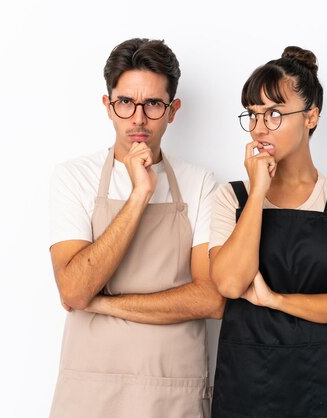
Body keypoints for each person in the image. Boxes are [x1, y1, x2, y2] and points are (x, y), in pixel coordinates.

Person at [48, 38, 223, 418]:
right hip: (89, 392)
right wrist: (140, 195)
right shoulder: (74, 178)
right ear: (107, 107)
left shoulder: (200, 182)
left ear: (173, 110)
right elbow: (75, 288)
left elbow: (210, 298)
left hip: (173, 390)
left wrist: (104, 304)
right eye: (125, 102)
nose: (139, 119)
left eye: (153, 104)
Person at [209, 46, 327, 417]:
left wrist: (277, 301)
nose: (258, 128)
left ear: (311, 117)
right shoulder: (230, 198)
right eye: (252, 115)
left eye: (273, 114)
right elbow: (230, 284)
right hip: (246, 384)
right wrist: (257, 193)